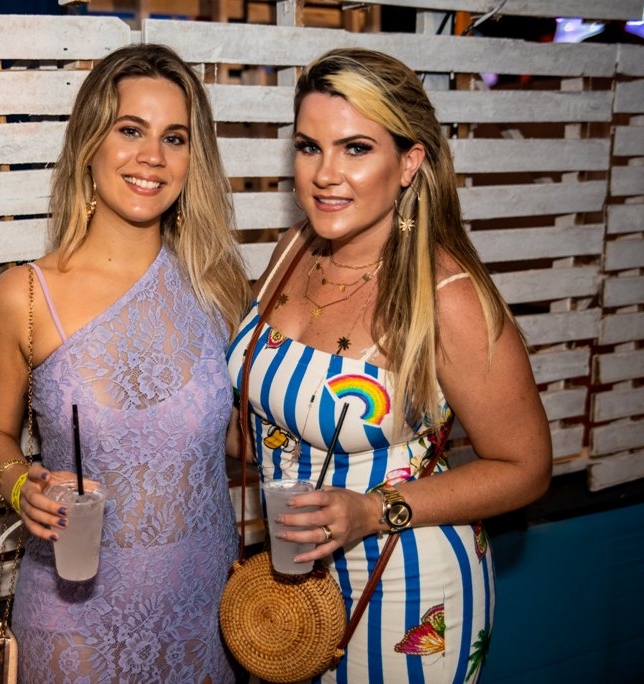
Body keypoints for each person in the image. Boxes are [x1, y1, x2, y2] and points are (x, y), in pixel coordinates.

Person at [226, 48, 552, 683]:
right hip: (290, 593)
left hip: (407, 591)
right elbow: (261, 418)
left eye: (356, 149)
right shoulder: (294, 248)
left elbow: (527, 467)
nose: (325, 174)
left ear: (409, 162)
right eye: (309, 147)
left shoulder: (446, 297)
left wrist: (372, 510)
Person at [0, 43, 250, 684]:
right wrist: (21, 486)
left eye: (174, 137)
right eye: (130, 130)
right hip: (74, 622)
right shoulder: (24, 297)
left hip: (203, 612)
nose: (152, 155)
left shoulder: (218, 288)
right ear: (90, 143)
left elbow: (236, 438)